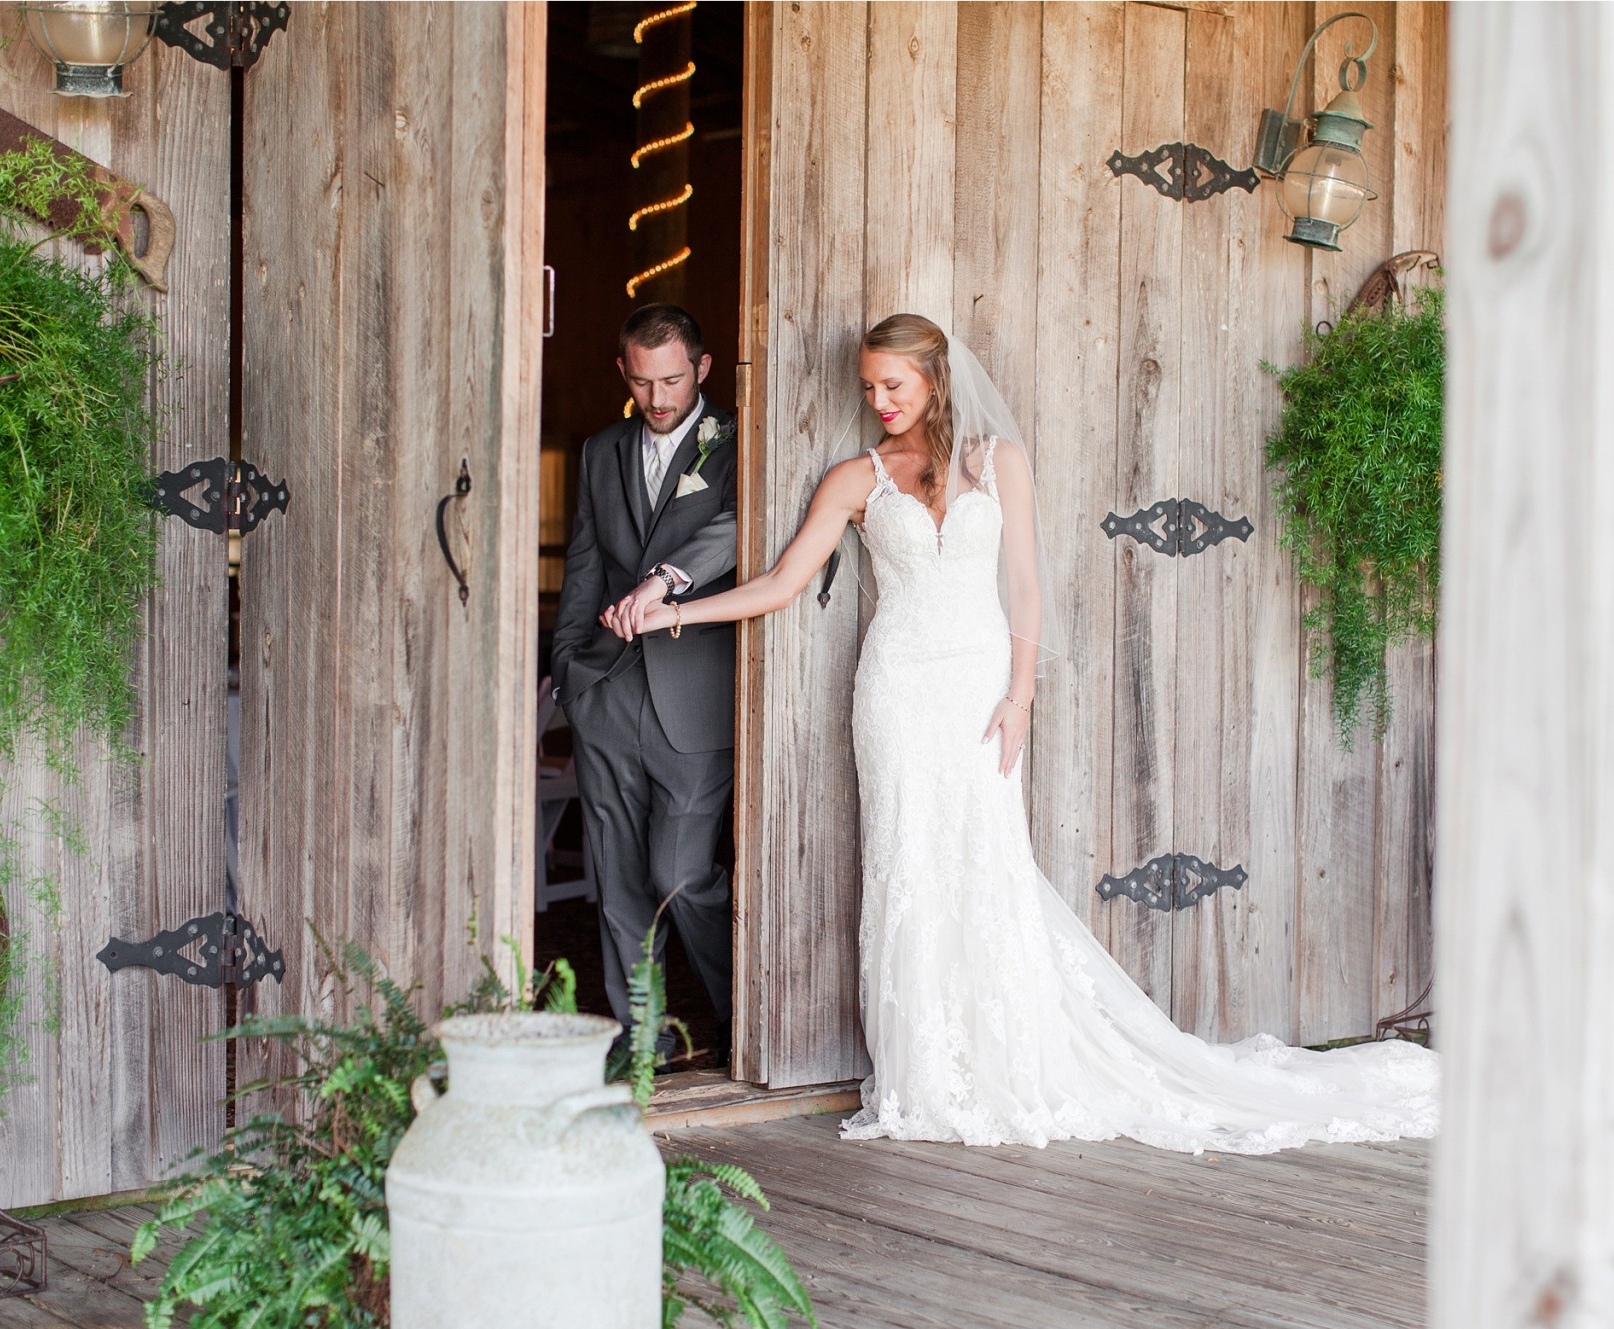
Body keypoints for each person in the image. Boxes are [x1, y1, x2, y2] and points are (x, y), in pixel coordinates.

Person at [621, 312, 1438, 1152]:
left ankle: (1007, 1055)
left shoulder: (998, 460)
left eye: (894, 386)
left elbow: (1025, 585)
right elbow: (782, 582)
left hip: (979, 687)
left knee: (987, 860)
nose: (880, 402)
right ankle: (928, 1073)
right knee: (908, 862)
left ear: (935, 379)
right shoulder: (856, 478)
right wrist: (669, 613)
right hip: (896, 690)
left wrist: (1021, 698)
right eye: (869, 387)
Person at [552, 304, 737, 1069]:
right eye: (641, 379)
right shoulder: (601, 449)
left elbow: (734, 526)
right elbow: (586, 562)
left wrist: (668, 580)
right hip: (606, 690)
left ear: (701, 368)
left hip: (694, 694)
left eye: (671, 378)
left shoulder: (737, 443)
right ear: (622, 373)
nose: (658, 397)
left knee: (681, 874)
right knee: (620, 879)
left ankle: (745, 1014)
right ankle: (644, 1035)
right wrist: (569, 665)